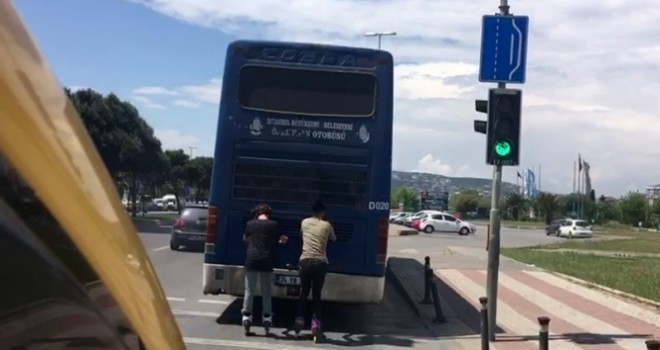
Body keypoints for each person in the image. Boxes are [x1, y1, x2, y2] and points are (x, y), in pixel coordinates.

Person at [241, 203, 288, 329]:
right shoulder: (273, 225)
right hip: (266, 260)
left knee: (249, 290)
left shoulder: (250, 223)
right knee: (266, 291)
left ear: (257, 213)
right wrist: (280, 240)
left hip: (251, 259)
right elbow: (283, 239)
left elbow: (245, 238)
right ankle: (267, 318)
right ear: (269, 214)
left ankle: (246, 316)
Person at [294, 200, 336, 334]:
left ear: (312, 211)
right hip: (320, 262)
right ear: (323, 212)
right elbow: (333, 239)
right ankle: (315, 325)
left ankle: (299, 319)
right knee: (316, 294)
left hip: (305, 261)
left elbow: (301, 235)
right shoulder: (327, 225)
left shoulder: (304, 222)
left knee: (304, 293)